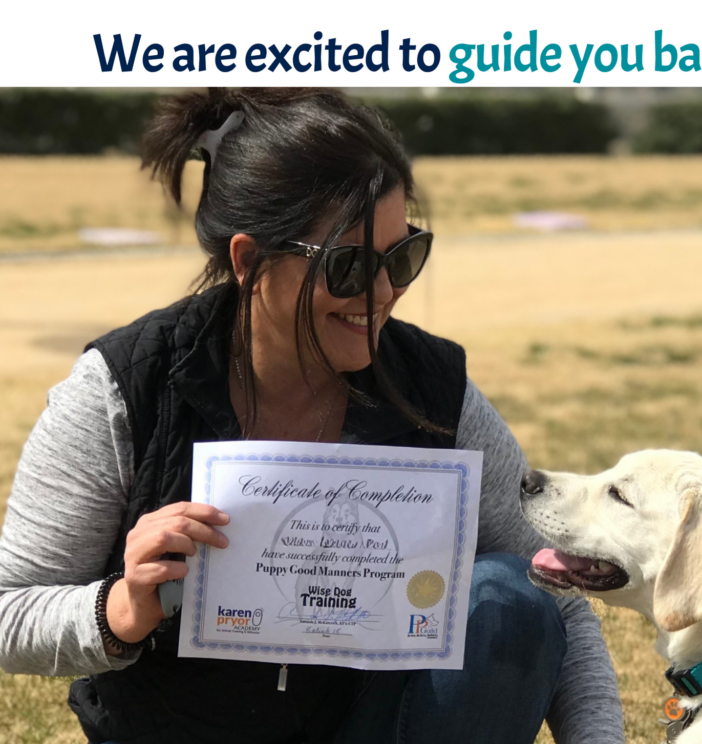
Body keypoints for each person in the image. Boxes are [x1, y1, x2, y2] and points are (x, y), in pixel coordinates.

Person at [0, 88, 624, 744]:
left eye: (403, 255)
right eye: (348, 267)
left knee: (512, 597)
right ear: (248, 262)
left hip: (368, 726)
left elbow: (554, 592)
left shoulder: (434, 393)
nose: (382, 293)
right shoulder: (125, 390)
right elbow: (10, 612)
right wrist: (121, 607)